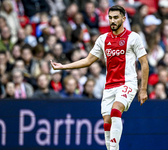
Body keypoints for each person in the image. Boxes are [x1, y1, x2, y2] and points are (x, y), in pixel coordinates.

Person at [51, 5, 149, 150]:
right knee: (107, 121)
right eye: (110, 18)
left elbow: (144, 63)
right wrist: (63, 66)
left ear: (123, 18)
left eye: (116, 17)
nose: (112, 21)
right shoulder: (103, 39)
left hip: (127, 83)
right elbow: (88, 60)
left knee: (116, 111)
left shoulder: (133, 37)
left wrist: (143, 89)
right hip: (109, 86)